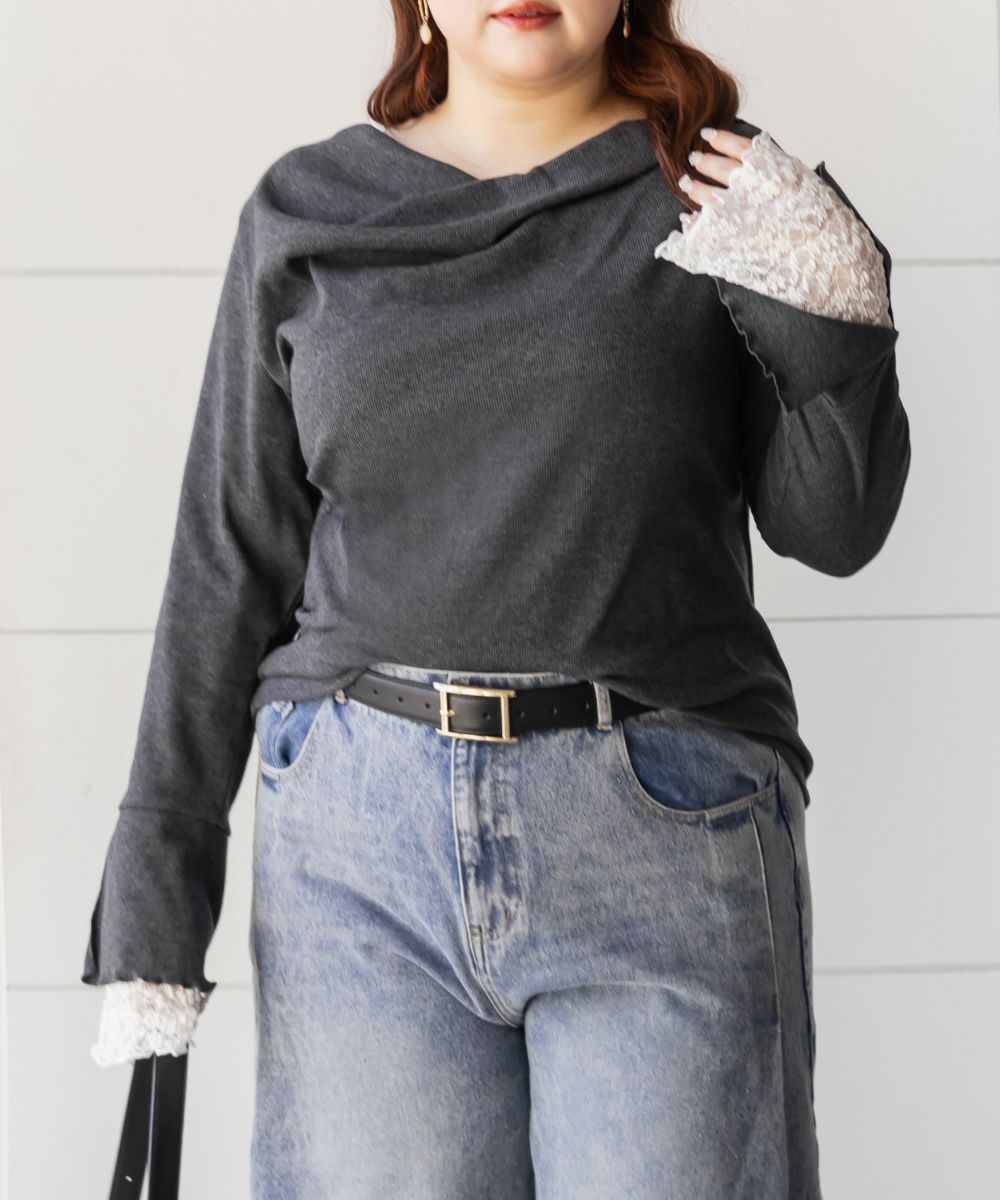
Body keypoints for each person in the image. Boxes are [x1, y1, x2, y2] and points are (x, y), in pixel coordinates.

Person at [81, 0, 911, 1195]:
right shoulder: (306, 209)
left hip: (664, 833)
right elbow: (230, 555)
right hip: (355, 859)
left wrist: (831, 299)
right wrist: (157, 902)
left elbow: (832, 530)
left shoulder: (715, 187)